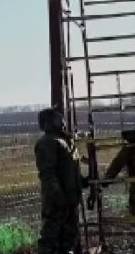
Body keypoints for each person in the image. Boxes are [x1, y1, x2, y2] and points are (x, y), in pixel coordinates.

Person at [34, 108, 84, 254]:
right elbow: (48, 174)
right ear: (49, 122)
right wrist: (58, 196)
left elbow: (70, 170)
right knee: (50, 239)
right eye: (57, 118)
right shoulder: (47, 142)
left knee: (68, 239)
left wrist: (82, 182)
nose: (62, 121)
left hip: (70, 199)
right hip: (57, 202)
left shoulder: (65, 142)